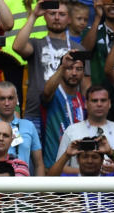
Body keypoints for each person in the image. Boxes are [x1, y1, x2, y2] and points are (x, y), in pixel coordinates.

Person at [13, 1, 77, 133]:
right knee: (35, 153)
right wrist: (34, 16)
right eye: (52, 13)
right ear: (45, 16)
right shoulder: (36, 44)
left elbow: (85, 85)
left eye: (62, 14)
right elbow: (17, 47)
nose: (57, 17)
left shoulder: (78, 49)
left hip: (67, 113)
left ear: (69, 19)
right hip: (36, 114)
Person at [56, 85, 114, 175]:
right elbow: (59, 168)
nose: (99, 104)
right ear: (86, 104)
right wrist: (88, 171)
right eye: (94, 101)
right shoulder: (71, 131)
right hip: (81, 187)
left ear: (109, 103)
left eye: (103, 100)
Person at [41, 50, 86, 166]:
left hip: (78, 165)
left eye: (79, 69)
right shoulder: (54, 94)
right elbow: (46, 93)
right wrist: (62, 67)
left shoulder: (82, 99)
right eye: (69, 68)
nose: (74, 73)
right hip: (54, 165)